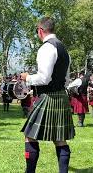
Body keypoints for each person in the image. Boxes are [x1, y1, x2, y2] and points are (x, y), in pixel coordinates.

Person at [20, 17, 75, 173]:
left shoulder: (46, 48)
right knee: (59, 139)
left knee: (29, 135)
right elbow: (66, 79)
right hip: (61, 97)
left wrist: (27, 77)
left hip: (48, 97)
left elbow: (44, 78)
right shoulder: (64, 49)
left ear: (40, 30)